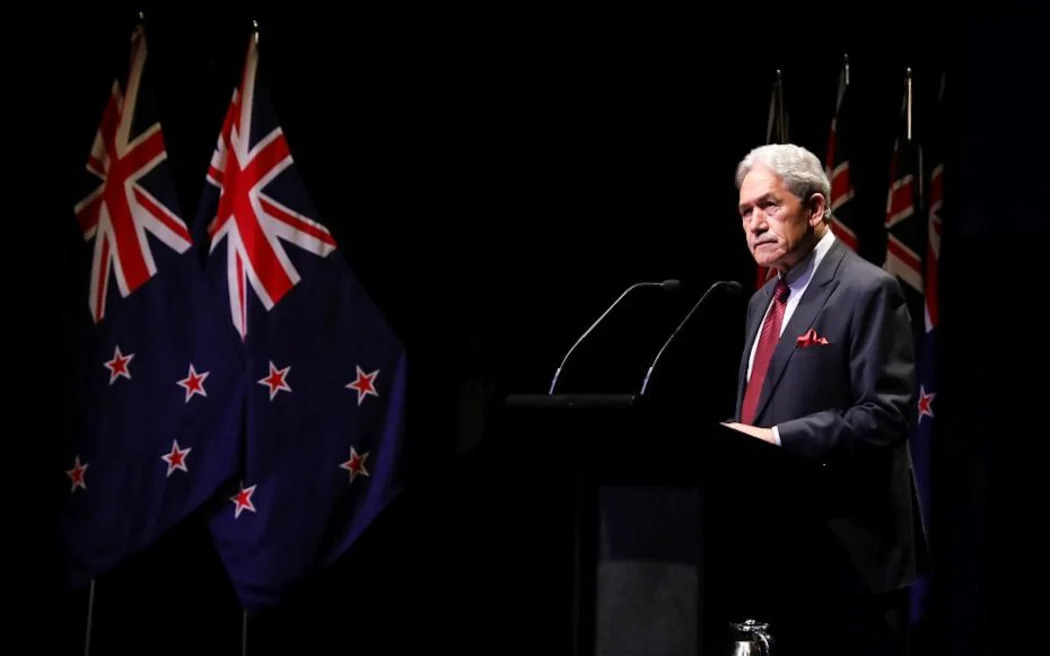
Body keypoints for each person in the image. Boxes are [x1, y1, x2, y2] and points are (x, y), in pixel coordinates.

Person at [708, 144, 927, 656]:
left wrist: (776, 439)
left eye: (769, 205)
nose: (755, 223)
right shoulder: (762, 301)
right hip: (781, 556)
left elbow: (886, 416)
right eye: (745, 212)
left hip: (851, 567)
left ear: (815, 208)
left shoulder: (866, 289)